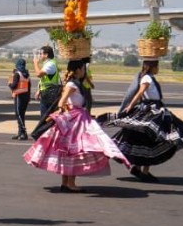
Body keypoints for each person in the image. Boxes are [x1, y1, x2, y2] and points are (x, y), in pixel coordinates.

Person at [23, 59, 129, 193]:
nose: (84, 70)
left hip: (76, 118)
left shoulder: (75, 83)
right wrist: (61, 110)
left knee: (69, 152)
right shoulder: (72, 84)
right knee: (74, 151)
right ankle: (70, 184)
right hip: (75, 119)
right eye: (83, 68)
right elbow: (62, 100)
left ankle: (66, 183)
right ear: (78, 70)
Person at [97, 60, 183, 182]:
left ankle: (140, 169)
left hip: (156, 108)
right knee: (152, 138)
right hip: (151, 110)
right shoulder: (147, 78)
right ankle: (142, 170)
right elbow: (140, 93)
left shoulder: (149, 77)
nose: (158, 69)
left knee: (146, 140)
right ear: (152, 67)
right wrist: (130, 106)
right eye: (157, 66)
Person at [33, 45, 61, 119]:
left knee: (45, 118)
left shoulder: (50, 64)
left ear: (46, 55)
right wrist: (39, 90)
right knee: (45, 117)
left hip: (50, 94)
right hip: (47, 92)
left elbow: (39, 74)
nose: (40, 56)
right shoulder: (48, 63)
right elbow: (44, 79)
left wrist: (35, 63)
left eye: (41, 54)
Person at [8, 58, 31, 140]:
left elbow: (13, 86)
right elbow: (29, 86)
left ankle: (23, 133)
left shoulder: (17, 74)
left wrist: (9, 84)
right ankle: (20, 132)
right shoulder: (27, 74)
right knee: (22, 114)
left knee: (18, 114)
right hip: (26, 96)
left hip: (19, 96)